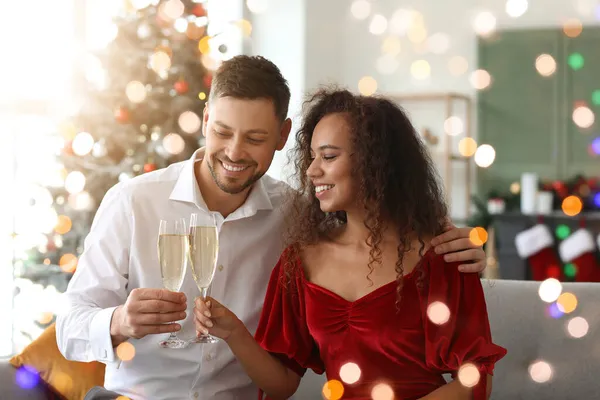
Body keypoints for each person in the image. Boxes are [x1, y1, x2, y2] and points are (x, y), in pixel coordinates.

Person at [56, 55, 488, 400]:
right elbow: (69, 327)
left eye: (255, 139)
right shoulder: (133, 203)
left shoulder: (296, 215)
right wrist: (118, 321)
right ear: (205, 120)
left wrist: (454, 238)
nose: (234, 151)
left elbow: (384, 212)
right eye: (222, 132)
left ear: (282, 136)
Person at [193, 88, 507, 400]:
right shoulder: (300, 261)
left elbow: (476, 376)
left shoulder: (442, 255)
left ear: (376, 162)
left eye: (328, 156)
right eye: (312, 156)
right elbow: (282, 382)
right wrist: (234, 333)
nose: (312, 170)